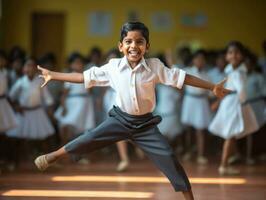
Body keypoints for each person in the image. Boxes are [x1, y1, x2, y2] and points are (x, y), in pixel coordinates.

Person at [35, 22, 230, 200]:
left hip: (145, 125)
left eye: (139, 41)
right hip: (120, 119)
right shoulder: (113, 67)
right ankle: (54, 156)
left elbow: (182, 77)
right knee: (90, 137)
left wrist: (212, 87)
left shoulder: (155, 67)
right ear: (121, 46)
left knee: (169, 157)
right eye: (128, 41)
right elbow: (83, 77)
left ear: (147, 46)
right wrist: (54, 75)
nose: (134, 46)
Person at [209, 41, 259, 175]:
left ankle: (231, 157)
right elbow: (241, 91)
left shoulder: (235, 70)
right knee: (230, 134)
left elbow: (232, 89)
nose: (234, 55)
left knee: (232, 132)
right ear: (227, 56)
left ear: (242, 56)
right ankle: (223, 165)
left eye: (237, 53)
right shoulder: (235, 71)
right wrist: (243, 102)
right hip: (234, 104)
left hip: (232, 103)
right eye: (231, 52)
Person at [181, 50, 211, 165]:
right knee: (188, 129)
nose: (200, 61)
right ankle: (188, 152)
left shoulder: (207, 75)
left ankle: (201, 155)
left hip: (201, 102)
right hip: (189, 101)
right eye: (197, 59)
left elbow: (210, 93)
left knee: (200, 130)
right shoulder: (187, 71)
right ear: (193, 60)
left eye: (202, 59)